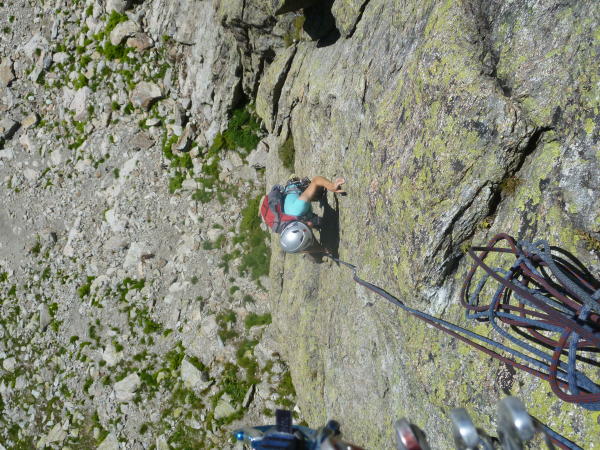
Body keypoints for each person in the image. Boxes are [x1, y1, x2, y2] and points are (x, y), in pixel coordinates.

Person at [279, 175, 345, 254]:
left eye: (306, 225)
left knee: (319, 192)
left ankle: (297, 181)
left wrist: (332, 186)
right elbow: (303, 248)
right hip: (297, 214)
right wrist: (322, 249)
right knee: (319, 223)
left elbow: (316, 180)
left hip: (295, 193)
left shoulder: (300, 207)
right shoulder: (291, 239)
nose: (310, 224)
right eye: (307, 227)